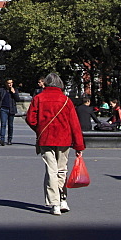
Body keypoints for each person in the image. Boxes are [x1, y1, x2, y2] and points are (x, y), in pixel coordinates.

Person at [25, 72, 85, 215]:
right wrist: (79, 145)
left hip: (46, 139)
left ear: (46, 83)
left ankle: (54, 203)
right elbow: (74, 125)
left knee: (51, 170)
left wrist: (39, 129)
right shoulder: (66, 100)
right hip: (64, 139)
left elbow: (30, 119)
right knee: (62, 170)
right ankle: (63, 199)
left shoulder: (38, 99)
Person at [0, 79, 19, 146]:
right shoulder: (2, 90)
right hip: (3, 109)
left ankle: (9, 140)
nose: (10, 84)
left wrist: (14, 93)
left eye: (11, 83)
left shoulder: (15, 90)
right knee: (3, 124)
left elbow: (17, 99)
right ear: (6, 83)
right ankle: (2, 139)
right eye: (8, 83)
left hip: (12, 109)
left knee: (10, 125)